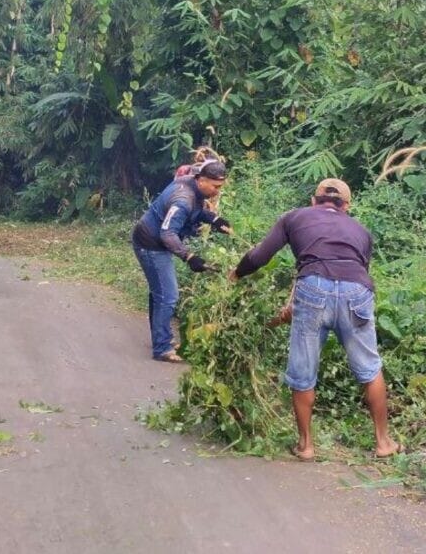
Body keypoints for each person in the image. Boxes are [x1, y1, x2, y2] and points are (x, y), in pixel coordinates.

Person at [228, 178, 401, 461]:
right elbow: (352, 269)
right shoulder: (361, 231)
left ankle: (306, 445)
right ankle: (383, 442)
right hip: (356, 291)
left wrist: (237, 274)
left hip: (313, 290)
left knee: (303, 369)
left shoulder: (294, 217)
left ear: (313, 200)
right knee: (370, 368)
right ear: (346, 206)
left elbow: (261, 256)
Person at [132, 159, 232, 362]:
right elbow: (167, 234)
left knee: (159, 292)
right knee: (169, 296)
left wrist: (213, 219)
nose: (217, 191)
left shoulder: (191, 182)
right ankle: (162, 348)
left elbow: (196, 211)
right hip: (151, 244)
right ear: (202, 180)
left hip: (151, 239)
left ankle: (161, 339)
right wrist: (190, 257)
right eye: (215, 186)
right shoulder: (183, 200)